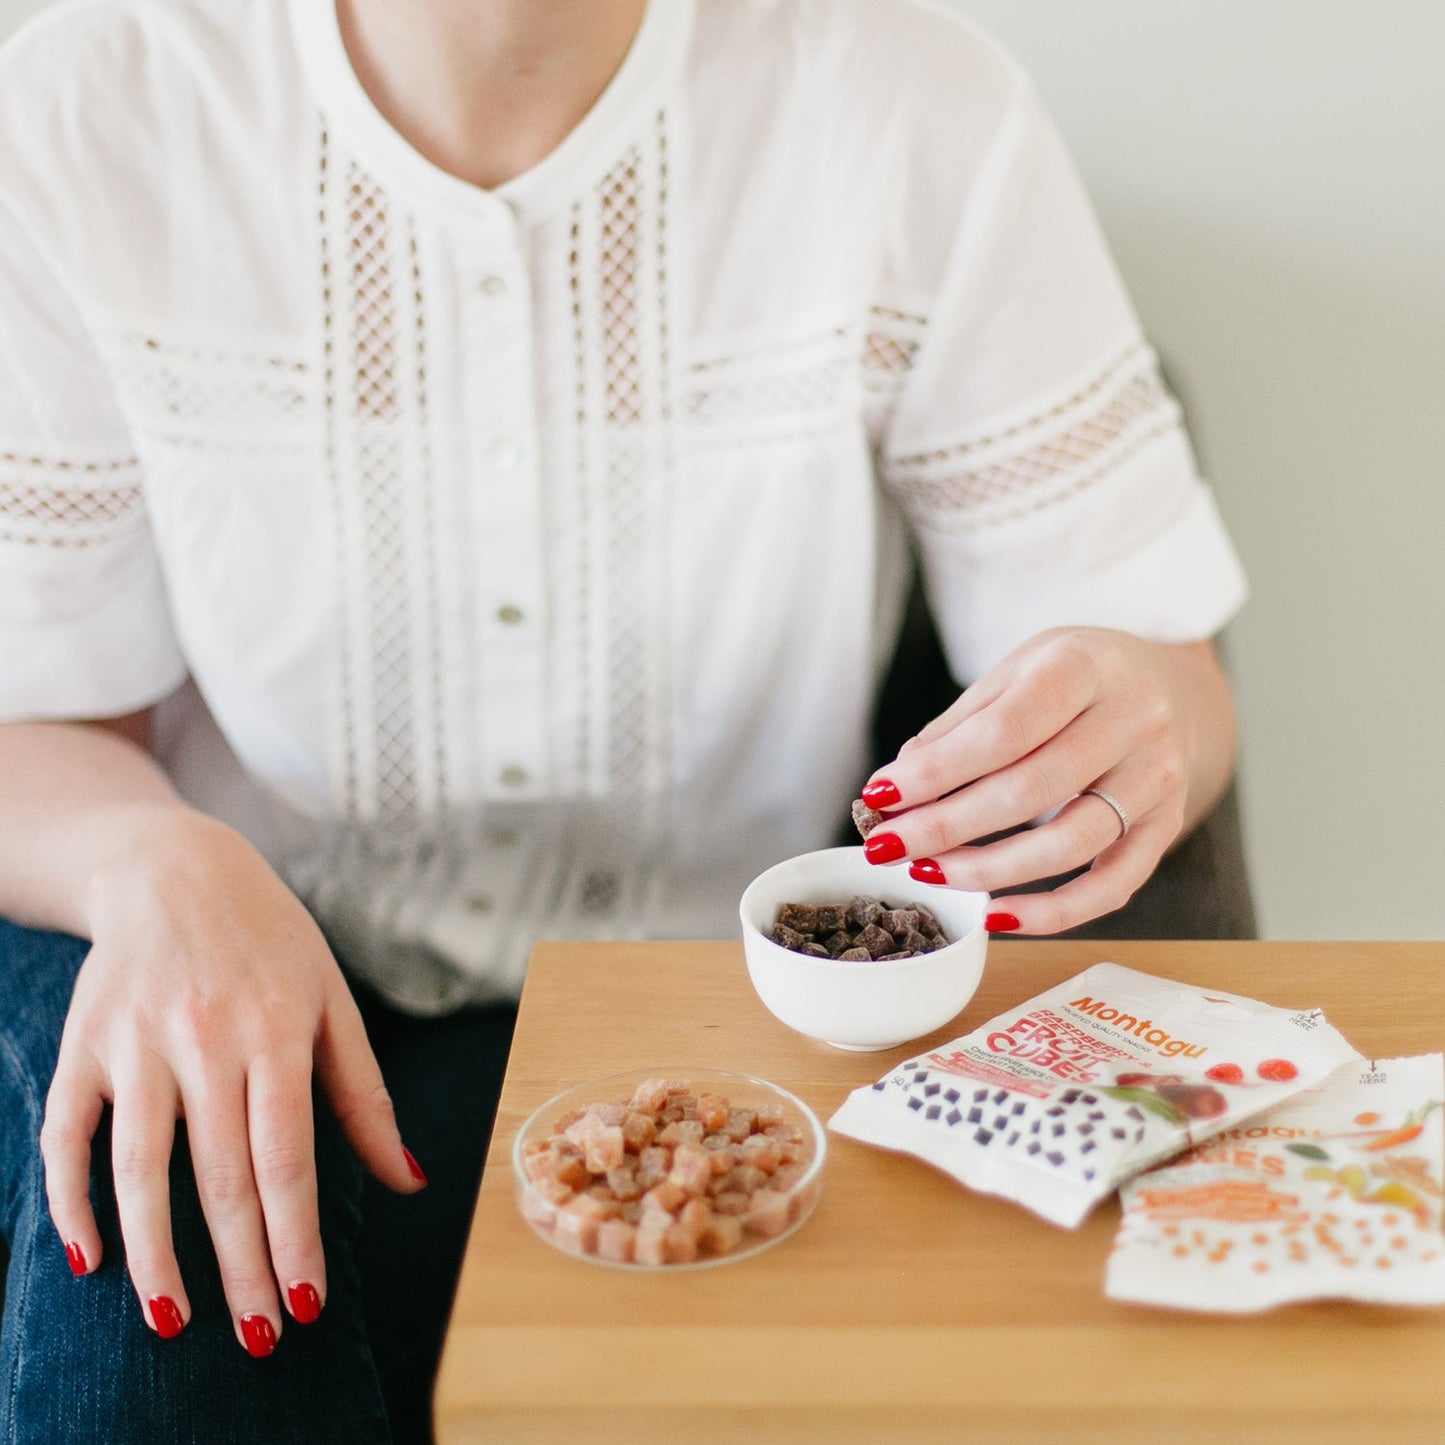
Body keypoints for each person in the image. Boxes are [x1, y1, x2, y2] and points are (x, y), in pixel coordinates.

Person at [0, 0, 1247, 1437]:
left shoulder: (909, 107)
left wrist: (1133, 713)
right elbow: (39, 716)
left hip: (727, 1023)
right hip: (260, 978)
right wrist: (155, 863)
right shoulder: (88, 109)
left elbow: (1157, 665)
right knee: (150, 1244)